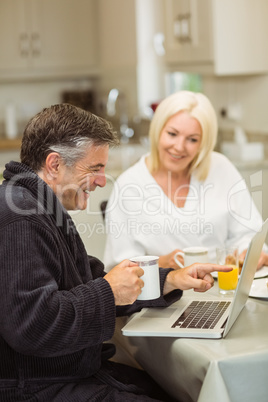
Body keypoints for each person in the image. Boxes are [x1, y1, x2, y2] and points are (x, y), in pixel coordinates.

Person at [0, 103, 232, 402]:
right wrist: (108, 292)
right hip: (37, 388)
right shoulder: (20, 216)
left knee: (180, 390)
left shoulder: (40, 207)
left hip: (66, 376)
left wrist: (170, 279)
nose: (101, 180)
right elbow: (34, 326)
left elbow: (91, 279)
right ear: (55, 164)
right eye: (95, 169)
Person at [103, 90, 268, 271]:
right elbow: (119, 269)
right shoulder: (129, 186)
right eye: (172, 134)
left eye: (192, 139)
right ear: (158, 131)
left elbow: (247, 234)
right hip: (166, 295)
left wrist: (250, 252)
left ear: (203, 143)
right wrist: (161, 264)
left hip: (225, 285)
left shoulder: (220, 167)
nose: (179, 147)